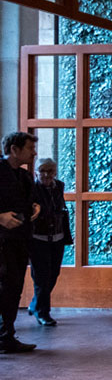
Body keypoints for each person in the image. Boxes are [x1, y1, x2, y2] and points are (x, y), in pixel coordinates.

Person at [0, 132, 40, 353]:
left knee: (14, 288)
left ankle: (6, 335)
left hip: (20, 239)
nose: (34, 153)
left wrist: (35, 207)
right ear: (14, 150)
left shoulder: (25, 176)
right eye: (29, 148)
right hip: (2, 240)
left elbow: (29, 200)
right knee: (5, 287)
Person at [28, 158, 72, 327]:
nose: (46, 175)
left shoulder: (59, 186)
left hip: (57, 237)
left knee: (53, 274)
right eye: (42, 171)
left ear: (55, 172)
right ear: (36, 173)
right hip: (38, 238)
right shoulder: (31, 188)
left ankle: (35, 304)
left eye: (50, 171)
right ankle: (43, 312)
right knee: (41, 277)